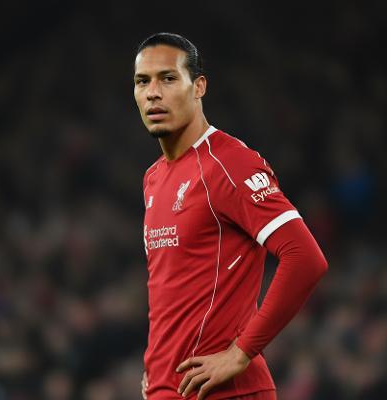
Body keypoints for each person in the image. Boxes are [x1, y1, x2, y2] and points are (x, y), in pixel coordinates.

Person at [134, 33, 328, 400]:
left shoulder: (228, 162)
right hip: (168, 390)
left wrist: (241, 352)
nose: (153, 93)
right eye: (143, 81)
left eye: (168, 78)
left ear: (199, 87)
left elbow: (305, 257)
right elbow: (173, 290)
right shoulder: (153, 177)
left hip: (226, 392)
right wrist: (157, 370)